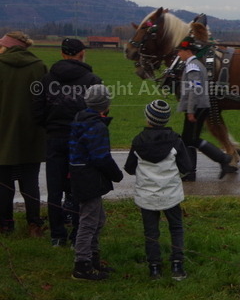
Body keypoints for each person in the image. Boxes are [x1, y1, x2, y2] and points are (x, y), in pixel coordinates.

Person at [32, 38, 102, 246]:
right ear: (81, 54)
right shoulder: (92, 80)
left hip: (54, 138)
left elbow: (36, 112)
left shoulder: (45, 80)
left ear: (62, 54)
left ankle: (57, 235)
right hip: (81, 141)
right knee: (79, 189)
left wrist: (51, 126)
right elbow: (100, 111)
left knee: (54, 189)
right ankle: (78, 235)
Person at [124, 99, 192, 280]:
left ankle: (155, 268)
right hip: (171, 193)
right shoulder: (176, 141)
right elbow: (187, 166)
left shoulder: (138, 141)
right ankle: (177, 266)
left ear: (148, 118)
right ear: (166, 119)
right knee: (176, 228)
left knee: (151, 232)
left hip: (146, 194)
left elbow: (129, 168)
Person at [68, 84, 123, 281]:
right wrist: (117, 174)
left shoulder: (80, 118)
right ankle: (82, 265)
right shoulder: (97, 126)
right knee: (89, 222)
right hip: (88, 177)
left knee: (97, 220)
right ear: (105, 105)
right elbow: (100, 157)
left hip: (80, 173)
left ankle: (93, 260)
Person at [0, 31, 47, 237]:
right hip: (32, 135)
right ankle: (34, 225)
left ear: (7, 46)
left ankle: (5, 224)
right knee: (30, 182)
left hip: (2, 135)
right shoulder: (39, 67)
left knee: (3, 182)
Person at [176, 35, 236, 179]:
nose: (178, 54)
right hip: (200, 106)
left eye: (180, 51)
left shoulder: (192, 66)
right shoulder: (197, 64)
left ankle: (223, 159)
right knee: (189, 139)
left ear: (188, 51)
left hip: (197, 107)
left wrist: (190, 111)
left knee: (191, 139)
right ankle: (190, 172)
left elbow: (195, 89)